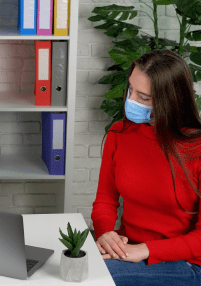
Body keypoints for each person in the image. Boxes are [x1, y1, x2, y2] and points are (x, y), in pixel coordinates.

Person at [91, 49, 201, 285]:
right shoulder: (119, 133)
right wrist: (105, 232)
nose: (131, 101)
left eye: (144, 97)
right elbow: (105, 200)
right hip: (128, 250)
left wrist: (145, 250)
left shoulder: (197, 148)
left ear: (171, 100)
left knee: (96, 278)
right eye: (130, 90)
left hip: (186, 261)